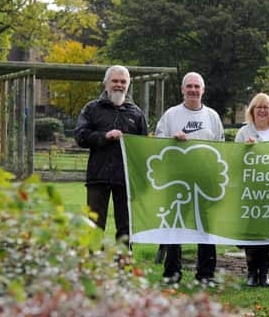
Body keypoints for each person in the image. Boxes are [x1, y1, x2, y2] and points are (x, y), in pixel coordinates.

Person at [155, 72, 224, 285]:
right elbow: (156, 143)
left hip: (204, 182)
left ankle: (206, 275)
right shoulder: (171, 115)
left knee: (205, 228)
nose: (193, 90)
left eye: (197, 86)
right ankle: (171, 274)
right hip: (177, 181)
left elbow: (221, 147)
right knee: (175, 227)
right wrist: (172, 141)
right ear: (182, 89)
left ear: (203, 90)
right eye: (189, 86)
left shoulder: (212, 116)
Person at [74, 65, 148, 246]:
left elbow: (143, 147)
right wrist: (104, 136)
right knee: (94, 225)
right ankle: (94, 267)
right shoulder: (92, 109)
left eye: (123, 82)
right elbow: (80, 136)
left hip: (125, 180)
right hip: (98, 176)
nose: (119, 85)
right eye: (115, 81)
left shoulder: (136, 113)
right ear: (106, 83)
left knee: (126, 227)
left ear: (128, 85)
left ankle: (124, 266)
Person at [235, 93, 269, 287]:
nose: (263, 110)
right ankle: (251, 273)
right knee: (251, 232)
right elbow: (235, 160)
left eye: (267, 107)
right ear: (252, 110)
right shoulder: (243, 133)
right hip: (251, 190)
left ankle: (264, 273)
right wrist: (245, 150)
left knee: (268, 233)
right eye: (259, 107)